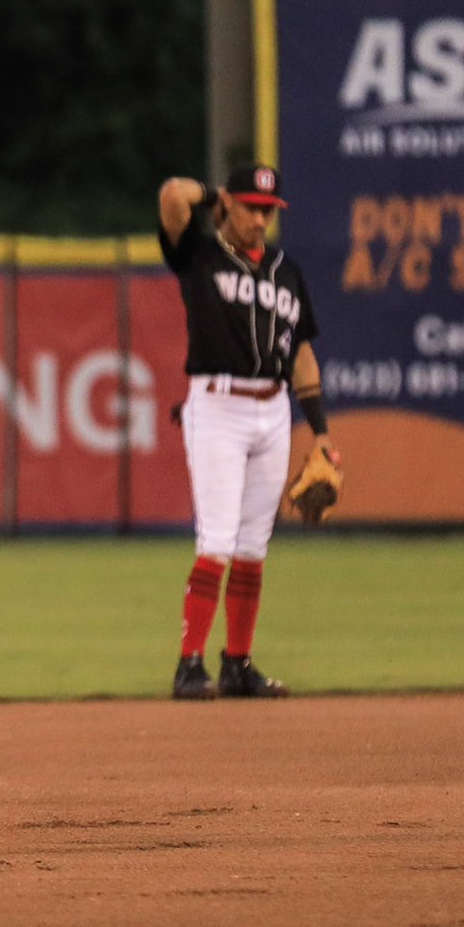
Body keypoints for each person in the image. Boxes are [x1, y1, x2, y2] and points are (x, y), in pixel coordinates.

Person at [157, 164, 334, 700]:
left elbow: (301, 354)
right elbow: (171, 195)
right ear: (230, 207)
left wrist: (321, 434)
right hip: (217, 407)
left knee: (254, 545)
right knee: (216, 540)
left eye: (268, 210)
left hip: (273, 410)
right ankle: (190, 664)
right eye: (251, 207)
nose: (260, 219)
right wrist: (217, 196)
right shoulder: (199, 255)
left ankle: (237, 663)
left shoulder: (287, 271)